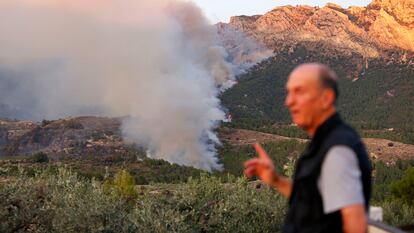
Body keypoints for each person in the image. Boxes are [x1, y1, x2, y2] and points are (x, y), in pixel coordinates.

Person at [244, 63, 372, 233]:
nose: (288, 101)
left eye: (299, 91)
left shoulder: (338, 151)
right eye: (289, 92)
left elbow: (356, 226)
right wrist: (276, 180)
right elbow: (312, 200)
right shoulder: (324, 142)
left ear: (326, 98)